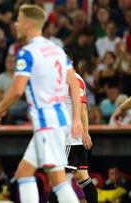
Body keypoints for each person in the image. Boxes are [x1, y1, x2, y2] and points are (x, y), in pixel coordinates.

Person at [0, 4, 83, 203]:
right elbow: (74, 85)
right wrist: (76, 119)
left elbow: (17, 90)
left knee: (58, 181)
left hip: (46, 122)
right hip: (59, 120)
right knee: (24, 173)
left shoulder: (27, 52)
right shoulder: (57, 50)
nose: (15, 24)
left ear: (28, 24)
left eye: (19, 20)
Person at [49, 50, 98, 203]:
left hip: (69, 138)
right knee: (82, 177)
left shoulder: (75, 80)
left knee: (57, 178)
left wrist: (85, 132)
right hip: (69, 137)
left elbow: (83, 108)